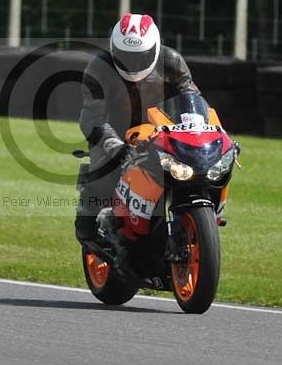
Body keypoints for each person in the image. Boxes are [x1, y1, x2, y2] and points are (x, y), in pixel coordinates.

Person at [75, 13, 201, 243]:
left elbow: (192, 99)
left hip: (162, 130)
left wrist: (203, 131)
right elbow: (92, 118)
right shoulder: (99, 68)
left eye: (139, 57)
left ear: (154, 48)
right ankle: (87, 214)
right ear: (114, 50)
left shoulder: (171, 62)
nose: (132, 64)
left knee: (194, 168)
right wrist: (117, 147)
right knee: (106, 170)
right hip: (114, 132)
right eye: (124, 57)